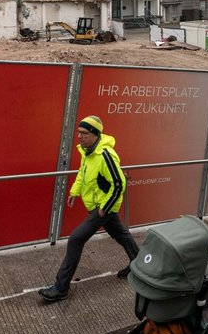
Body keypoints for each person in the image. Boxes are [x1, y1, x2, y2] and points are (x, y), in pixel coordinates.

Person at [39, 116, 139, 302]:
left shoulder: (105, 155)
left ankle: (61, 288)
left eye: (84, 133)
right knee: (122, 235)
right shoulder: (87, 152)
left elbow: (119, 183)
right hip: (96, 205)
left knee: (76, 239)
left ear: (95, 134)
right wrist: (74, 192)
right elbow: (82, 174)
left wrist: (104, 208)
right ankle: (139, 266)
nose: (79, 136)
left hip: (102, 207)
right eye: (79, 132)